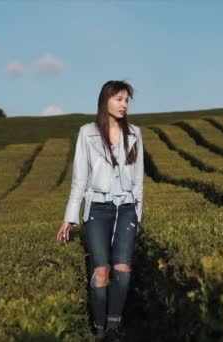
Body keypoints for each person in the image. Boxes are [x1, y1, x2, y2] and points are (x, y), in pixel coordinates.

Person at [56, 80, 144, 341]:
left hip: (126, 208)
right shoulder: (87, 133)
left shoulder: (135, 133)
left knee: (123, 271)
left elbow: (139, 180)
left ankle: (114, 328)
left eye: (127, 100)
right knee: (101, 272)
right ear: (105, 100)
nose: (123, 104)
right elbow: (79, 180)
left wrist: (137, 217)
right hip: (98, 208)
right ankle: (99, 328)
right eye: (119, 99)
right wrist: (69, 219)